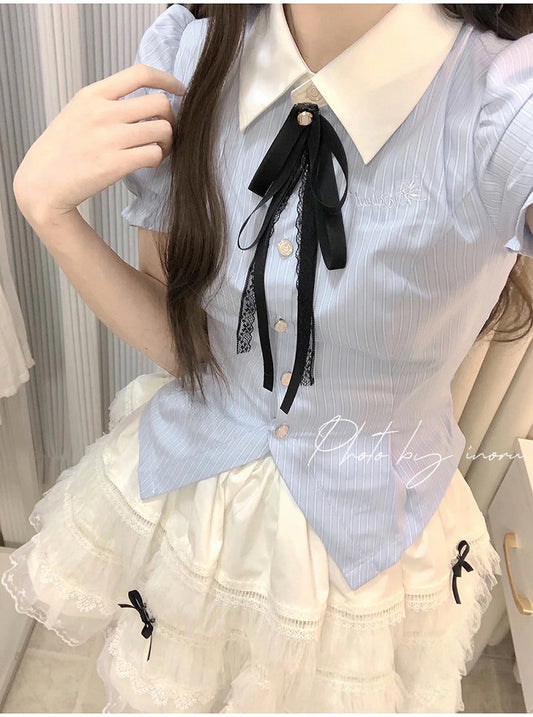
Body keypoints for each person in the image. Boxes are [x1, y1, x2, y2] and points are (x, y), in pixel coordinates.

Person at [2, 2, 533, 713]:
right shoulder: (189, 56)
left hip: (367, 550)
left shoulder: (504, 105)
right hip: (193, 502)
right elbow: (186, 345)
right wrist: (49, 213)